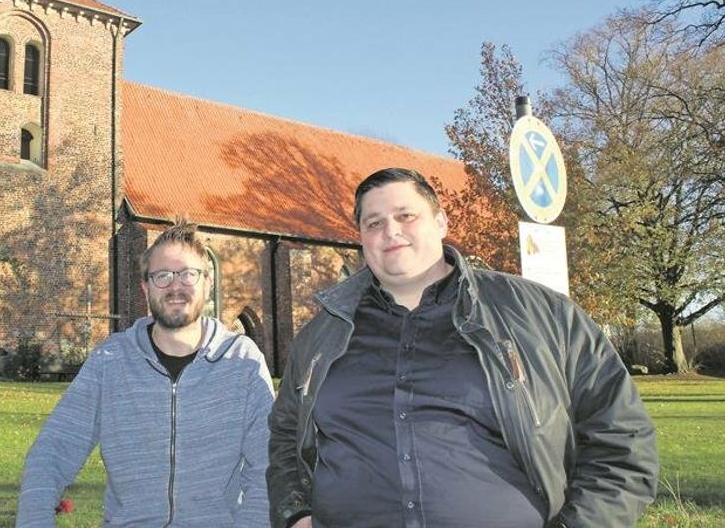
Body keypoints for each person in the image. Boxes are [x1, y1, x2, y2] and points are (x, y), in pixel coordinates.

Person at [267, 168, 658, 528]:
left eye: (406, 216)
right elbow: (286, 435)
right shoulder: (323, 334)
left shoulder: (541, 315)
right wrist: (295, 514)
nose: (390, 231)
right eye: (374, 223)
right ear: (362, 239)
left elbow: (622, 439)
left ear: (440, 222)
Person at [17, 219, 275, 527]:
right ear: (145, 287)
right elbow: (52, 452)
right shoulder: (110, 361)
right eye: (162, 276)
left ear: (208, 283)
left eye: (188, 275)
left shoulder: (242, 362)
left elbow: (268, 467)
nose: (175, 286)